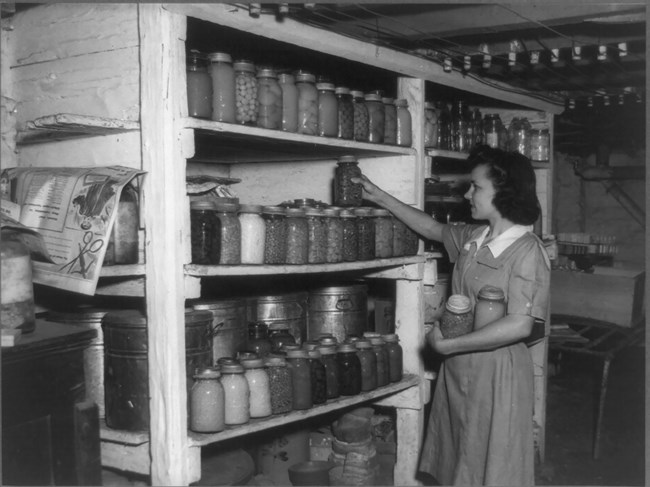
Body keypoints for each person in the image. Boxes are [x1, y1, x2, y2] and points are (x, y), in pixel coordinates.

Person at [352, 145, 550, 486]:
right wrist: (380, 196)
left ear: (504, 192)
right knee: (460, 458)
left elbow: (520, 323)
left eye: (477, 187)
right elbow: (430, 228)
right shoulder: (475, 238)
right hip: (459, 369)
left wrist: (449, 347)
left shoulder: (526, 250)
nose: (468, 194)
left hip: (496, 372)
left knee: (494, 467)